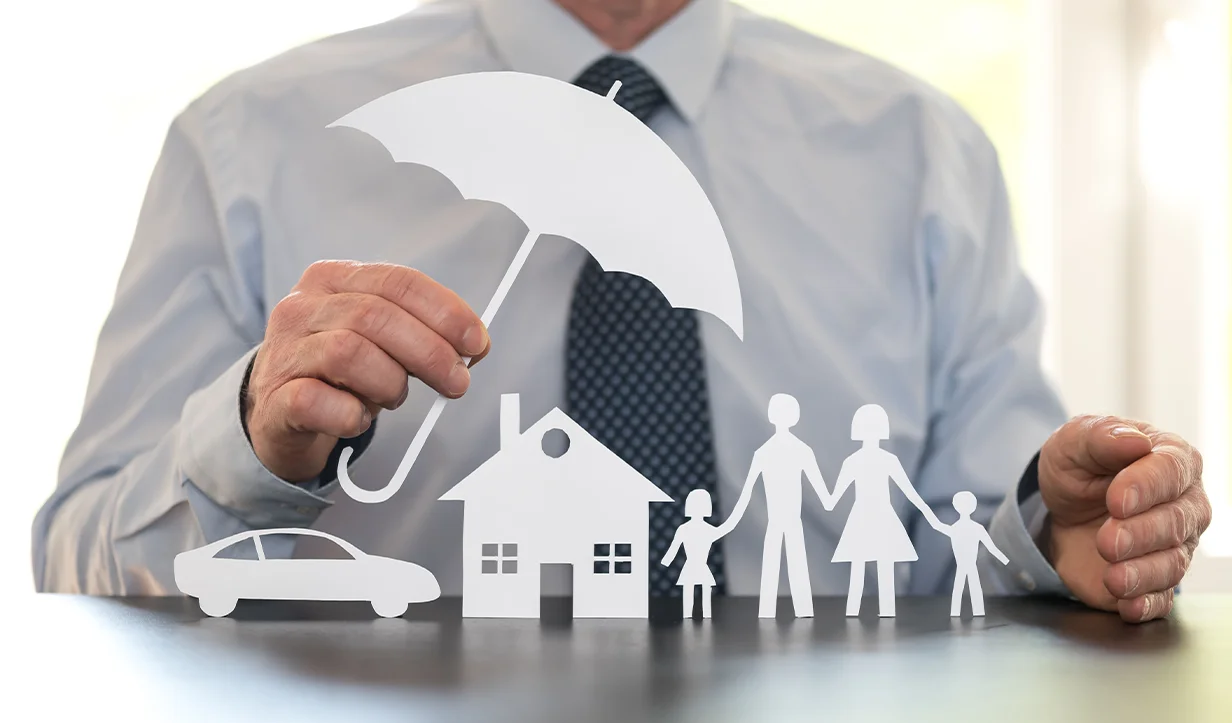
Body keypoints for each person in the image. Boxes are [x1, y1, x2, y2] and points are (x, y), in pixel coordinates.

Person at [33, 0, 1211, 624]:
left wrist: (1066, 539)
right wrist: (244, 437)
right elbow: (76, 562)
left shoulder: (922, 152)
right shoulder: (252, 140)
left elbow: (980, 543)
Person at [827, 404, 944, 618]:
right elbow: (910, 493)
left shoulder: (856, 461)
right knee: (876, 568)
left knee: (866, 568)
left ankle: (864, 612)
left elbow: (832, 499)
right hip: (872, 516)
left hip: (871, 516)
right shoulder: (877, 461)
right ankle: (877, 612)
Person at [719, 393, 828, 618]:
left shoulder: (766, 453)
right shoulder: (796, 451)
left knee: (776, 567)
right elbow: (825, 496)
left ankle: (778, 611)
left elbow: (745, 493)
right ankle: (792, 610)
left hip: (782, 521)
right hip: (782, 521)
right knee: (789, 566)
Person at [937, 491, 1011, 617]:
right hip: (964, 565)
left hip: (970, 565)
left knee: (967, 589)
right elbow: (991, 547)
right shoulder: (960, 528)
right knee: (965, 589)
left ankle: (966, 612)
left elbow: (991, 547)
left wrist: (1005, 560)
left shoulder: (966, 528)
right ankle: (960, 612)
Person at [661, 489, 725, 619]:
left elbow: (725, 529)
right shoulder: (683, 529)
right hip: (690, 566)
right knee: (689, 591)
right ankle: (687, 614)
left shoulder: (708, 529)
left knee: (706, 591)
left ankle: (706, 614)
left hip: (702, 566)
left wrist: (738, 513)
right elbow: (674, 548)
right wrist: (665, 562)